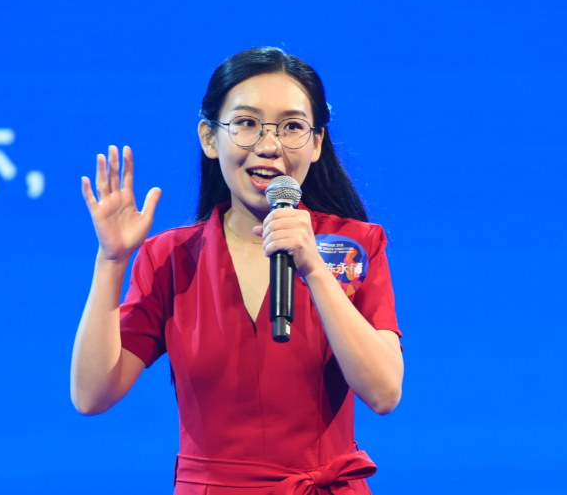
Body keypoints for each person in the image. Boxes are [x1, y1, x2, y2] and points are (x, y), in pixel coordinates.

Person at [70, 47, 403, 494]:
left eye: (292, 127)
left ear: (316, 143)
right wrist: (111, 261)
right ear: (210, 138)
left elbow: (384, 392)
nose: (269, 146)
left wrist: (314, 269)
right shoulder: (170, 258)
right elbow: (91, 395)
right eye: (246, 123)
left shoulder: (352, 246)